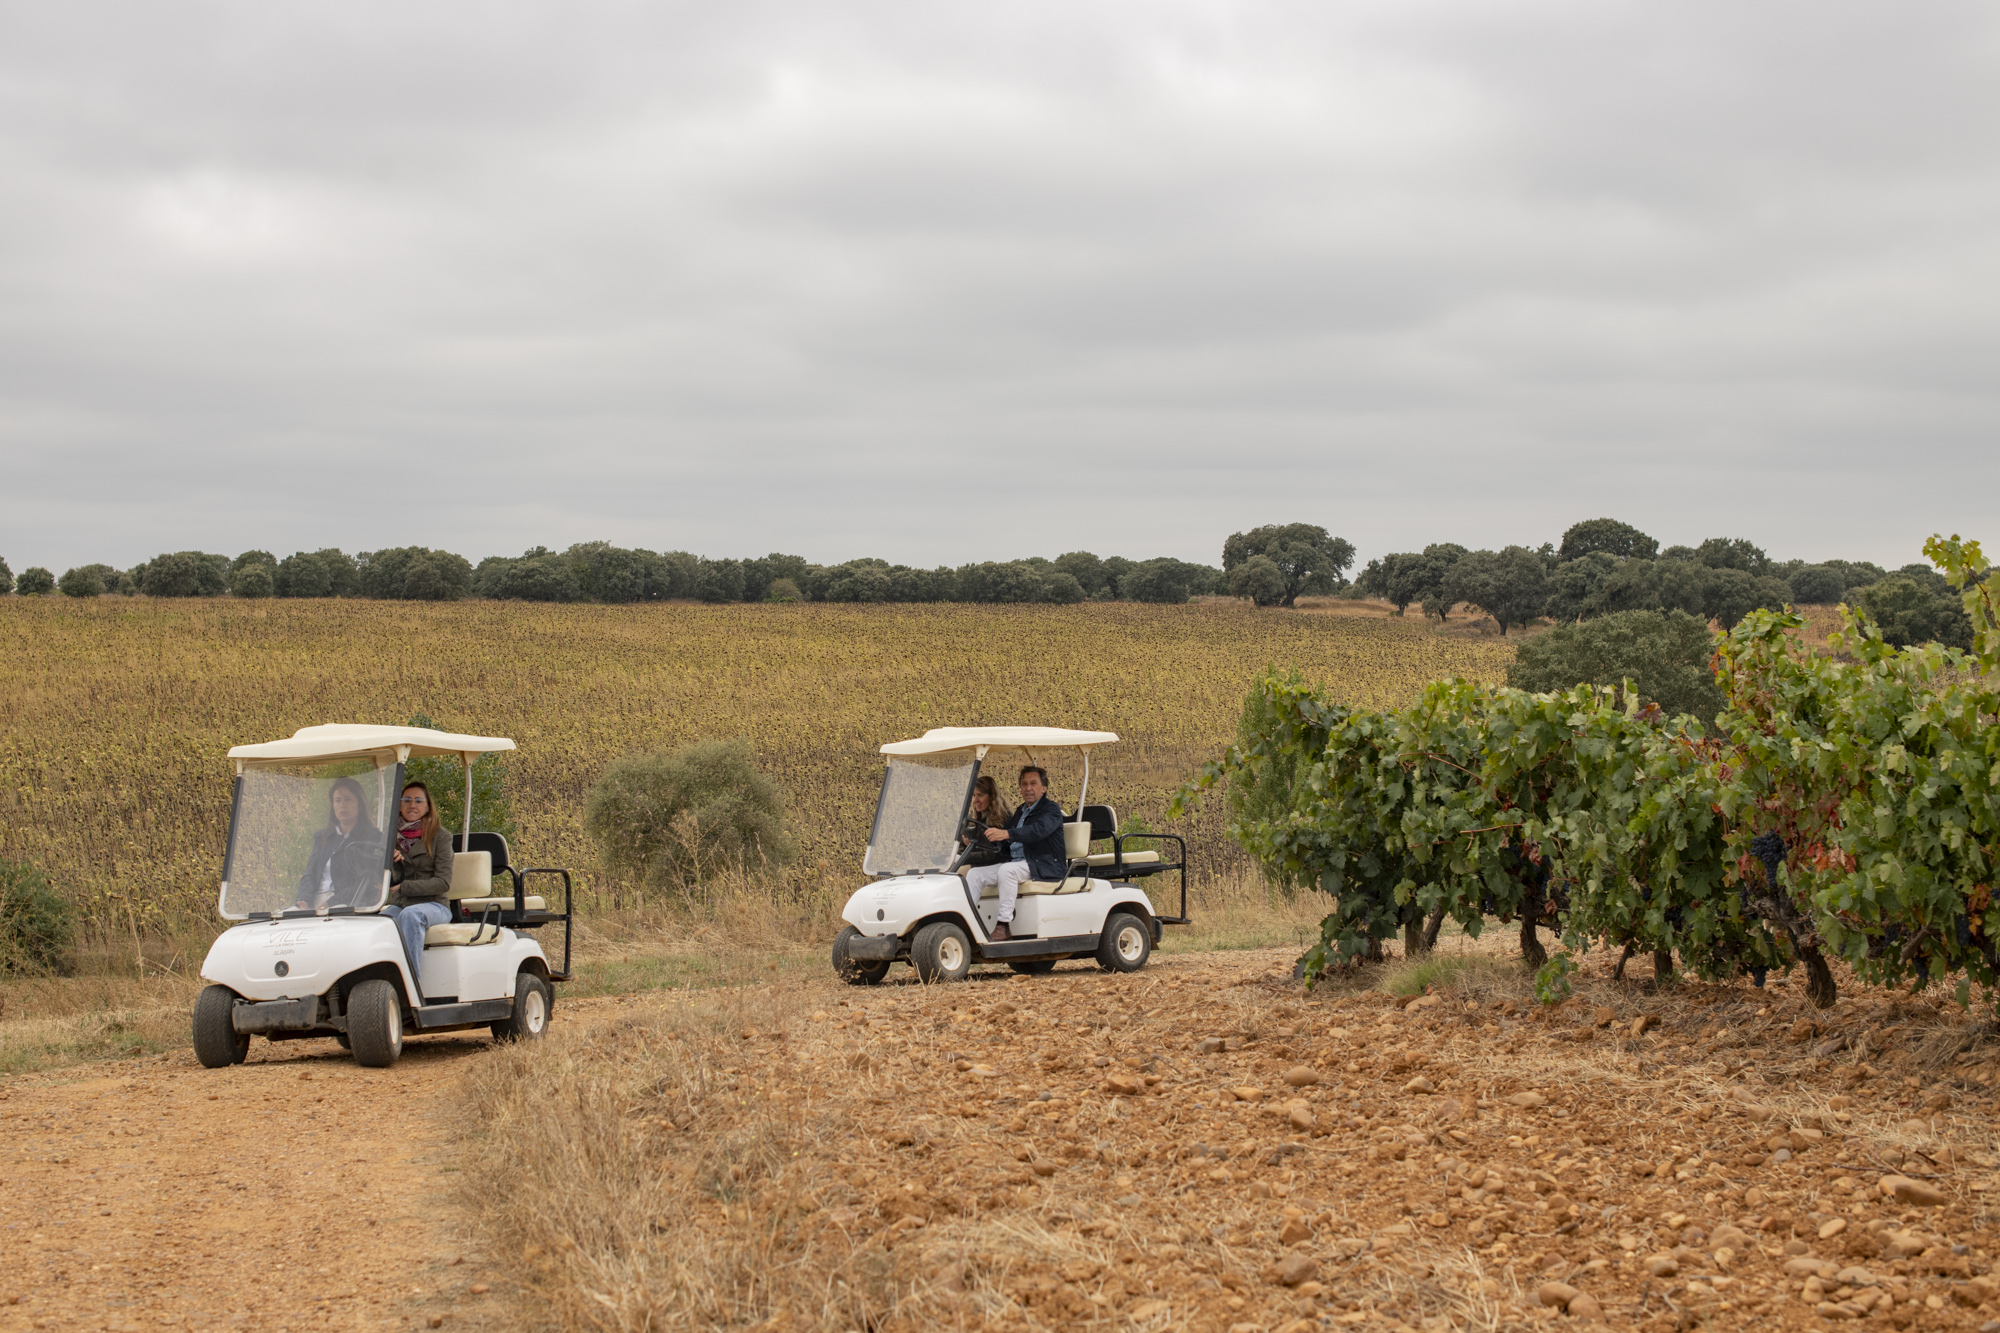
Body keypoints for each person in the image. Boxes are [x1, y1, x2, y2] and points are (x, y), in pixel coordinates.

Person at [967, 766, 1068, 941]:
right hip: (1021, 862)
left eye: (1033, 784)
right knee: (975, 874)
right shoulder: (1021, 811)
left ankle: (1003, 926)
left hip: (1043, 863)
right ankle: (966, 924)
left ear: (1043, 788)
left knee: (1007, 871)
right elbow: (1003, 837)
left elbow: (1038, 831)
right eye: (1024, 784)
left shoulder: (1051, 810)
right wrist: (975, 842)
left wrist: (1007, 834)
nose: (1028, 788)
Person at [380, 781, 455, 999]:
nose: (412, 805)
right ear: (400, 805)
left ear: (428, 806)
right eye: (407, 800)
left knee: (411, 916)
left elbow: (443, 883)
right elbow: (384, 880)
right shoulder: (390, 838)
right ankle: (380, 989)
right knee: (379, 922)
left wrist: (403, 887)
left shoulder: (441, 837)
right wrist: (391, 863)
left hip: (434, 905)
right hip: (401, 904)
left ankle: (410, 990)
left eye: (418, 800)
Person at [294, 777, 383, 912]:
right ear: (333, 806)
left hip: (348, 904)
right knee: (287, 916)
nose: (342, 805)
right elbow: (309, 875)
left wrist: (331, 903)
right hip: (315, 903)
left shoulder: (372, 838)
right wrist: (304, 900)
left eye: (348, 799)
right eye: (338, 800)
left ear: (359, 804)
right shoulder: (323, 838)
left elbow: (366, 880)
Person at [959, 775, 1012, 868]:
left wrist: (968, 852)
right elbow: (961, 846)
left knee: (964, 874)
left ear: (992, 796)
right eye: (974, 796)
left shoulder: (1004, 819)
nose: (975, 800)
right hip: (974, 863)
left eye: (980, 795)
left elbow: (996, 854)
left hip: (996, 865)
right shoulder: (972, 818)